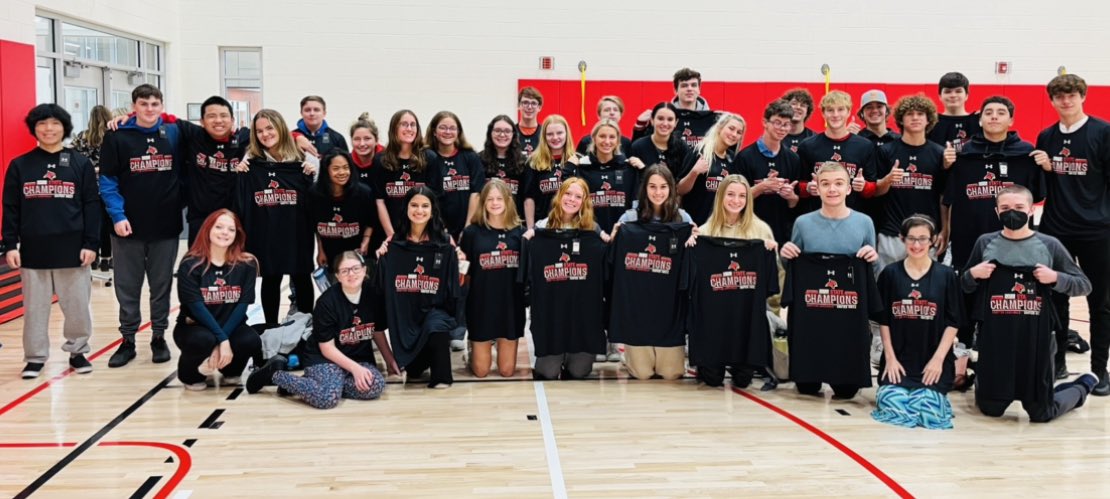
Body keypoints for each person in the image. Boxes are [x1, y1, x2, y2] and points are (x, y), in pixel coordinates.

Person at [961, 186, 1098, 422]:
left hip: (1037, 338)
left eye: (1018, 208)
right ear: (996, 212)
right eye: (1005, 208)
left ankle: (1081, 385)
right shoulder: (985, 243)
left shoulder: (1049, 244)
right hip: (995, 337)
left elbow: (1084, 285)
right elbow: (963, 285)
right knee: (990, 409)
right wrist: (973, 273)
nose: (1011, 212)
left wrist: (1056, 278)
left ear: (1032, 209)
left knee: (1042, 413)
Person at [2, 104, 100, 379]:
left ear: (64, 128)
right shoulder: (20, 165)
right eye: (42, 124)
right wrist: (10, 244)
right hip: (33, 249)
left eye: (54, 123)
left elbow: (92, 205)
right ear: (34, 128)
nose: (48, 129)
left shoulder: (79, 162)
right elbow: (10, 207)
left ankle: (78, 351)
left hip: (73, 248)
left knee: (78, 306)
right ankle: (35, 358)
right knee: (34, 309)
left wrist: (91, 243)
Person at [1032, 74, 1110, 395]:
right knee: (1056, 297)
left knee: (1100, 302)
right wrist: (1046, 169)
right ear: (1052, 101)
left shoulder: (1102, 132)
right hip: (1056, 230)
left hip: (1097, 230)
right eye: (1060, 97)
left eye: (1072, 95)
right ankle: (1059, 362)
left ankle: (1099, 370)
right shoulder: (1046, 136)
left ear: (1083, 97)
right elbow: (1038, 187)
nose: (1066, 101)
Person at [248, 251, 399, 408]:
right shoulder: (326, 302)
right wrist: (355, 369)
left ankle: (311, 385)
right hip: (325, 359)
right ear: (337, 276)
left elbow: (377, 330)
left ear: (364, 270)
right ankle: (275, 375)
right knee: (328, 398)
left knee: (375, 385)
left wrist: (389, 360)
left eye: (355, 268)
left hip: (358, 358)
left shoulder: (373, 295)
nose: (351, 274)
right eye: (345, 271)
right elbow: (327, 349)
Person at [781, 162, 880, 399]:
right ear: (817, 187)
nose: (832, 189)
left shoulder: (864, 222)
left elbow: (869, 271)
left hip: (847, 313)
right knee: (806, 387)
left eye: (838, 183)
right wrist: (786, 255)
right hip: (812, 312)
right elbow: (794, 268)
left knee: (847, 391)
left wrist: (873, 258)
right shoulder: (803, 223)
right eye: (825, 184)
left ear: (848, 188)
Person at [99, 84, 181, 367]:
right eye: (143, 104)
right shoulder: (117, 136)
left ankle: (159, 337)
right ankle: (128, 339)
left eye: (154, 104)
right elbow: (107, 181)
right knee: (127, 286)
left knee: (161, 285)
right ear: (134, 106)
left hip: (165, 225)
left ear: (161, 106)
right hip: (127, 227)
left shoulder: (173, 133)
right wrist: (117, 216)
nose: (149, 109)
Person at [871, 215, 961, 429]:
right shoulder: (890, 274)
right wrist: (890, 359)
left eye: (922, 239)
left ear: (932, 240)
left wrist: (938, 360)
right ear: (902, 239)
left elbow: (953, 321)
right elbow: (884, 321)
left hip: (933, 363)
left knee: (928, 412)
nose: (917, 244)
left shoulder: (946, 275)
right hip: (899, 362)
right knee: (895, 406)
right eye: (911, 238)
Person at [610, 165, 695, 380]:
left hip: (669, 305)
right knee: (642, 374)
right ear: (644, 188)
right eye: (653, 186)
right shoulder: (629, 218)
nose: (658, 192)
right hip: (638, 305)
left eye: (664, 187)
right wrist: (614, 238)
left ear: (672, 188)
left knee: (671, 374)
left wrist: (695, 238)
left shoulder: (682, 218)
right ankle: (627, 353)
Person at [696, 174, 780, 387]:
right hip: (715, 317)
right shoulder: (705, 232)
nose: (736, 200)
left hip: (747, 317)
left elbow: (774, 279)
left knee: (743, 380)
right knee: (712, 379)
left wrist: (769, 251)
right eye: (730, 194)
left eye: (742, 195)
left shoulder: (761, 231)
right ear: (721, 197)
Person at [375, 186, 463, 389]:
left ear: (433, 210)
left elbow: (454, 288)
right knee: (413, 372)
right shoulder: (393, 244)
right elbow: (382, 293)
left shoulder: (444, 242)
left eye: (425, 206)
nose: (419, 210)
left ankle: (442, 377)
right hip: (407, 322)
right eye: (414, 205)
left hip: (435, 312)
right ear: (406, 208)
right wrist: (382, 257)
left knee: (437, 325)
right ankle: (423, 359)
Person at [240, 109, 318, 325]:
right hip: (266, 232)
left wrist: (312, 174)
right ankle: (271, 328)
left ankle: (305, 327)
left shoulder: (303, 159)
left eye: (269, 128)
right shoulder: (251, 161)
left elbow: (318, 198)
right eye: (259, 131)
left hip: (297, 231)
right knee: (270, 278)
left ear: (281, 128)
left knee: (302, 276)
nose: (265, 134)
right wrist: (241, 173)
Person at [525, 177, 605, 379]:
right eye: (568, 194)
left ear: (584, 201)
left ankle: (572, 355)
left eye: (578, 196)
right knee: (547, 372)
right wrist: (526, 239)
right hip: (552, 314)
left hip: (581, 314)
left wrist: (611, 238)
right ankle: (556, 355)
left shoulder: (592, 230)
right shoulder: (542, 228)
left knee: (579, 372)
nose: (571, 199)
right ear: (559, 196)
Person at [173, 210, 261, 390]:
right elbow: (197, 309)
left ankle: (231, 371)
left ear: (237, 235)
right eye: (219, 227)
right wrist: (220, 341)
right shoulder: (190, 264)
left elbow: (241, 308)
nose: (225, 233)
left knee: (250, 339)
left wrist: (223, 339)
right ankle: (189, 374)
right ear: (207, 229)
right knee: (202, 339)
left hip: (231, 326)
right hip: (195, 328)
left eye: (231, 229)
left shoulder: (247, 264)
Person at [460, 180, 526, 377]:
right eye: (490, 199)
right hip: (481, 304)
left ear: (508, 201)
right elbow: (465, 273)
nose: (495, 203)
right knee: (481, 371)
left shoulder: (520, 233)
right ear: (483, 203)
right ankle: (473, 349)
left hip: (510, 305)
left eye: (499, 198)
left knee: (506, 371)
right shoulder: (472, 233)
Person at [874, 94, 947, 271]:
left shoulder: (939, 153)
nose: (915, 118)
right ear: (900, 119)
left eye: (920, 114)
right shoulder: (886, 151)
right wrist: (888, 180)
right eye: (910, 114)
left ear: (928, 119)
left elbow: (944, 197)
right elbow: (875, 192)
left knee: (924, 293)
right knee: (887, 288)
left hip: (926, 234)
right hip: (892, 233)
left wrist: (945, 230)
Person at [795, 90, 879, 216]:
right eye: (830, 110)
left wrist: (864, 186)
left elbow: (872, 189)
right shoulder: (807, 146)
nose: (835, 114)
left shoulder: (865, 146)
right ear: (823, 113)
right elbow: (797, 186)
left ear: (848, 112)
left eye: (840, 109)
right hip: (817, 217)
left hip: (852, 218)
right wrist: (807, 188)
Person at [735, 99, 802, 247]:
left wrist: (791, 196)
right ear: (765, 122)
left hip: (782, 235)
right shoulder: (745, 157)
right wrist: (761, 187)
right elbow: (735, 200)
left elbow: (794, 203)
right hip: (750, 233)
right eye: (777, 122)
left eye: (786, 124)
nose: (782, 128)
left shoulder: (793, 159)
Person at [572, 119, 638, 241]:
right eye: (602, 136)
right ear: (594, 138)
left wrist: (643, 169)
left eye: (612, 137)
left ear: (618, 140)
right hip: (590, 236)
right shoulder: (582, 167)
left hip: (621, 237)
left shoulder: (629, 168)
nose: (607, 141)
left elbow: (637, 205)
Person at [310, 151, 375, 273]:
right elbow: (316, 225)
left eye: (346, 168)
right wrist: (320, 250)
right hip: (331, 256)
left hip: (357, 254)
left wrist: (365, 242)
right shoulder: (314, 194)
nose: (342, 172)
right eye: (336, 168)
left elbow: (371, 222)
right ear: (326, 170)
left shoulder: (363, 193)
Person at [372, 110, 431, 239]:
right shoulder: (380, 160)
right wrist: (391, 235)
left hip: (421, 233)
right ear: (394, 128)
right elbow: (379, 201)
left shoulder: (429, 158)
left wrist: (421, 234)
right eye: (404, 124)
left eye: (413, 124)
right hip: (390, 232)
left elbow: (434, 200)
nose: (409, 128)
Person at [425, 111, 484, 239]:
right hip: (436, 229)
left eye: (452, 128)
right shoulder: (427, 158)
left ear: (458, 132)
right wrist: (440, 229)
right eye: (443, 127)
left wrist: (468, 228)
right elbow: (428, 197)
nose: (448, 132)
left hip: (467, 226)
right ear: (434, 131)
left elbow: (476, 193)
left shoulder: (470, 157)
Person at [677, 113, 745, 224]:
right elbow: (679, 190)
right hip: (694, 224)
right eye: (731, 128)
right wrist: (694, 172)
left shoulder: (733, 159)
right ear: (719, 127)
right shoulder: (699, 151)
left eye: (739, 132)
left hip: (719, 226)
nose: (734, 134)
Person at [71, 104, 114, 271]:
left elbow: (73, 160)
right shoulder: (112, 137)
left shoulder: (82, 137)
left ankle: (93, 257)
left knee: (91, 223)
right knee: (106, 225)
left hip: (87, 187)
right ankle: (106, 259)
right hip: (108, 187)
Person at [633, 68, 717, 149]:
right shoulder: (663, 117)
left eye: (694, 85)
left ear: (699, 89)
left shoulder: (713, 119)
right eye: (684, 85)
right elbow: (638, 148)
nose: (689, 89)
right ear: (676, 90)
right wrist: (639, 127)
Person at [524, 114, 578, 228]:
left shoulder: (577, 160)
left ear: (566, 134)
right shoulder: (534, 163)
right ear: (543, 136)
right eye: (550, 134)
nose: (555, 137)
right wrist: (530, 228)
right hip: (543, 226)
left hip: (572, 226)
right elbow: (529, 198)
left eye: (559, 133)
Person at [479, 115, 532, 217]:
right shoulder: (479, 160)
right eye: (498, 130)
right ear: (490, 133)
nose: (502, 134)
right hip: (486, 222)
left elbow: (527, 198)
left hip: (515, 222)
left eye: (507, 131)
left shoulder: (524, 162)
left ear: (513, 134)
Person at [349, 113, 386, 254]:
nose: (362, 144)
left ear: (376, 140)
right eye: (357, 139)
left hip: (385, 227)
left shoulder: (388, 161)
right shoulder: (347, 164)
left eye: (367, 138)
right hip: (358, 229)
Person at [628, 102, 690, 178]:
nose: (665, 123)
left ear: (676, 123)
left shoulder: (682, 147)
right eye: (660, 118)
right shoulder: (638, 147)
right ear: (652, 120)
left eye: (670, 119)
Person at [928, 72, 981, 154]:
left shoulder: (979, 120)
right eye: (947, 92)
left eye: (958, 91)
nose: (953, 95)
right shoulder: (930, 121)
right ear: (940, 96)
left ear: (966, 95)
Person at [782, 88, 817, 153]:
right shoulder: (775, 137)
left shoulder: (815, 139)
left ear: (807, 112)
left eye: (803, 105)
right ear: (785, 108)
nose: (798, 107)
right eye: (794, 103)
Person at [516, 87, 544, 155]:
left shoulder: (545, 133)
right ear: (519, 105)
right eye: (525, 102)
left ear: (539, 107)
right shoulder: (511, 132)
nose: (529, 107)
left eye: (533, 103)